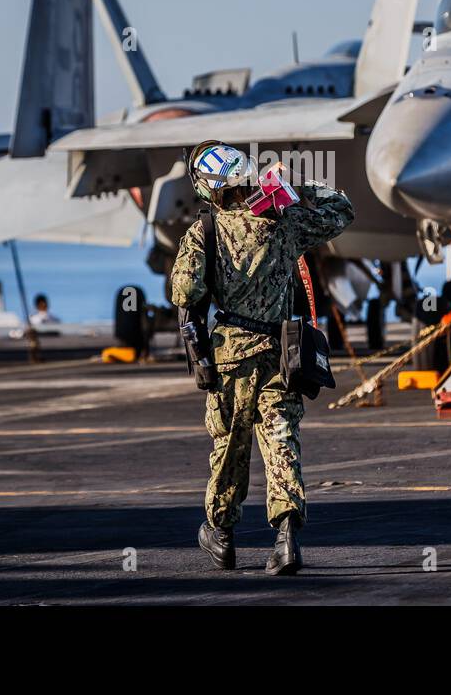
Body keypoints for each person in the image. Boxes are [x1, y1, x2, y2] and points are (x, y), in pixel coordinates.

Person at [170, 140, 354, 575]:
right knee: (281, 442)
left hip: (230, 358)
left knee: (230, 447)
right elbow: (342, 208)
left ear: (208, 189)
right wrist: (294, 187)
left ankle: (222, 535)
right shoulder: (285, 222)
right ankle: (287, 539)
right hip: (281, 353)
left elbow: (184, 293)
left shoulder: (205, 232)